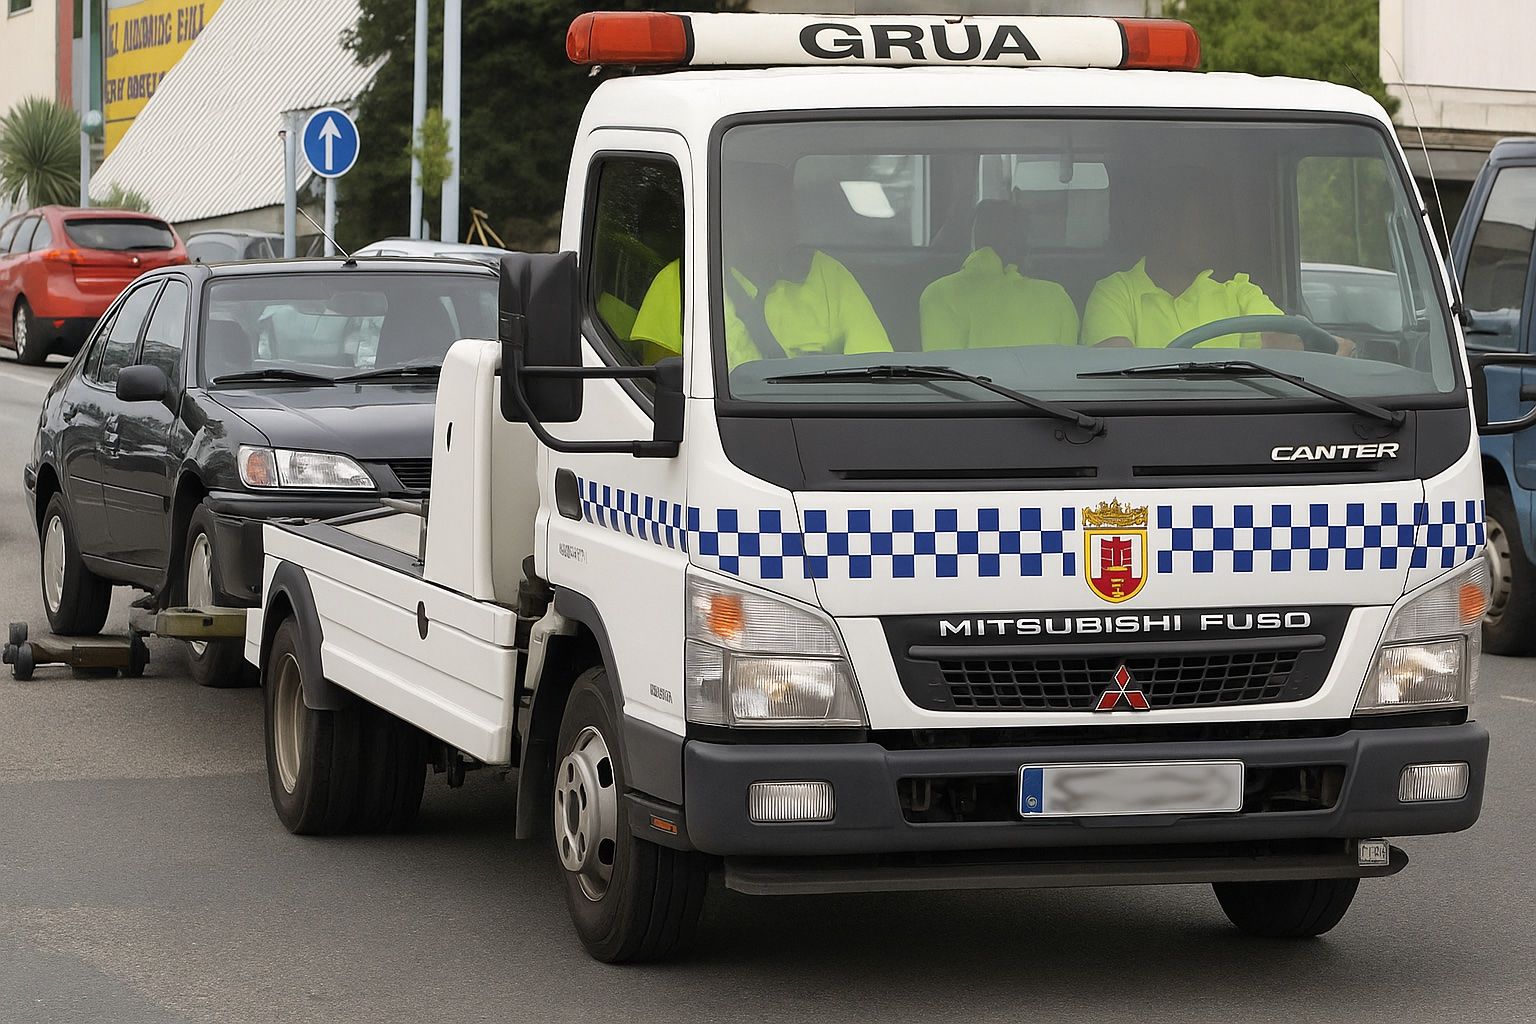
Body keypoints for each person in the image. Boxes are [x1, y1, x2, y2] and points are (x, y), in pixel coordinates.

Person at [631, 162, 891, 367]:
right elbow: (663, 388)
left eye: (783, 206)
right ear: (726, 211)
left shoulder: (827, 275)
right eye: (760, 206)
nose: (776, 219)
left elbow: (875, 369)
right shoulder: (682, 280)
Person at [1080, 178, 1354, 355]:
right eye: (1203, 223)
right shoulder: (1114, 293)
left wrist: (1333, 351)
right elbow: (1117, 379)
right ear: (1163, 226)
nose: (1216, 234)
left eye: (1217, 223)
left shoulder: (1238, 292)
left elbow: (1295, 346)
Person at [920, 200, 1079, 350]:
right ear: (1025, 248)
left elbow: (943, 372)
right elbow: (1069, 367)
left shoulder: (938, 294)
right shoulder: (1056, 297)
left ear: (974, 243)